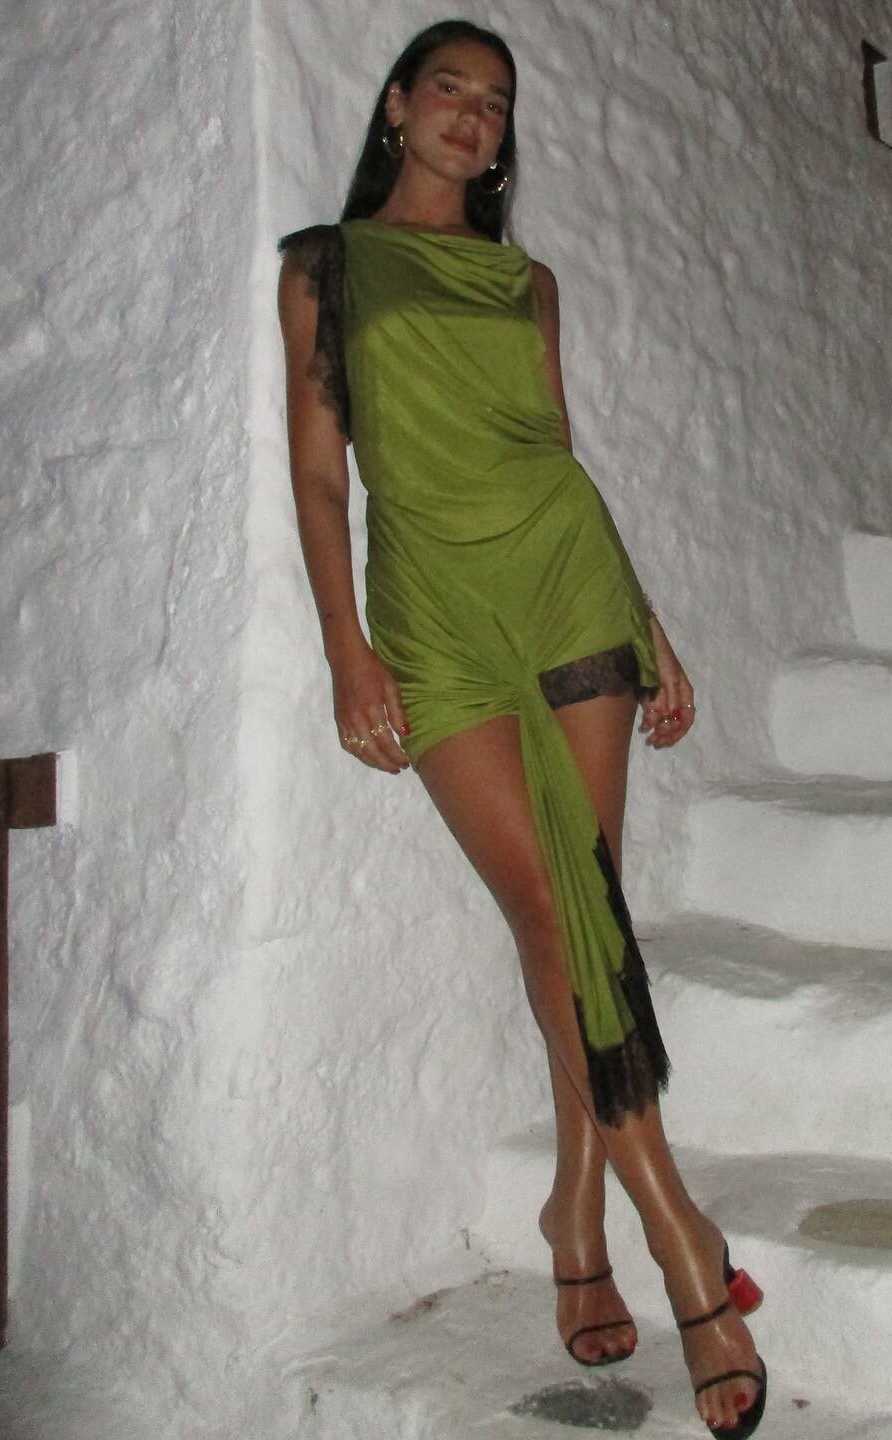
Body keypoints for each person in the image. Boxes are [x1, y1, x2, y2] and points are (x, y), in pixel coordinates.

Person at [275, 19, 766, 1438]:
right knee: (552, 906)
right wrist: (345, 646)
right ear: (396, 105)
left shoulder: (527, 282)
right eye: (450, 90)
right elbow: (321, 477)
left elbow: (558, 453)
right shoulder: (326, 268)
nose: (473, 118)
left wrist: (650, 625)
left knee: (581, 917)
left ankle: (580, 1215)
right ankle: (680, 1236)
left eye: (495, 103)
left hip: (567, 587)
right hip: (433, 616)